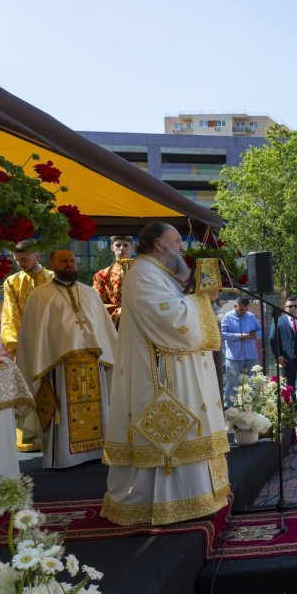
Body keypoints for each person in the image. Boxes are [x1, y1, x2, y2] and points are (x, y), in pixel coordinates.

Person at [101, 222, 231, 526]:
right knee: (171, 440)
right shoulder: (143, 274)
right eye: (176, 241)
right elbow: (172, 321)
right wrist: (203, 298)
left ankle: (199, 496)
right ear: (158, 244)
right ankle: (172, 502)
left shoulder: (162, 273)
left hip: (181, 371)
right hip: (163, 377)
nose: (182, 247)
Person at [17, 250, 118, 469]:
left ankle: (96, 450)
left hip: (93, 362)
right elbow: (34, 336)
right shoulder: (40, 295)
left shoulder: (90, 293)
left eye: (72, 260)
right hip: (59, 365)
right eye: (64, 261)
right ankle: (65, 456)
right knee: (62, 408)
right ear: (52, 264)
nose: (69, 264)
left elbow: (105, 329)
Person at [0, 240, 53, 356]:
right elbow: (11, 315)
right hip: (24, 343)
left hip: (52, 340)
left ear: (37, 257)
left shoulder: (53, 279)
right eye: (17, 261)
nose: (20, 264)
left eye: (24, 259)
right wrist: (15, 344)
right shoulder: (11, 282)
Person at [220, 297, 261, 408]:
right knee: (232, 383)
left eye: (245, 309)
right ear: (235, 306)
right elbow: (222, 334)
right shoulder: (227, 316)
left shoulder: (251, 316)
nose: (243, 312)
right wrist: (239, 336)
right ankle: (229, 409)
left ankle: (254, 406)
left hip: (251, 355)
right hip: (233, 357)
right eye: (241, 309)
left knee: (254, 382)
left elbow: (260, 331)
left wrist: (254, 335)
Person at [92, 235, 134, 326]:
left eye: (125, 245)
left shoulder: (144, 271)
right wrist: (120, 312)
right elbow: (98, 303)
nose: (122, 248)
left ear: (132, 247)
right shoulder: (102, 275)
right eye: (118, 245)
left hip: (141, 319)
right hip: (115, 323)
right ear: (112, 248)